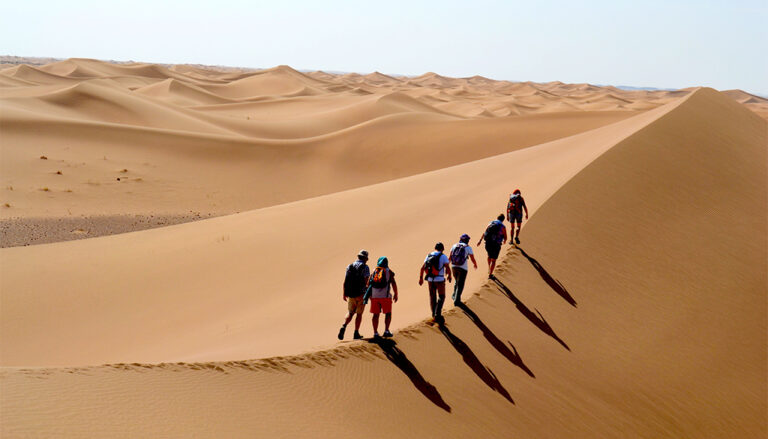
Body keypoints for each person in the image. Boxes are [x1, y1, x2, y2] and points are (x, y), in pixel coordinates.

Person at [362, 256, 398, 338]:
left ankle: (375, 333)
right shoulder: (389, 271)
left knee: (375, 315)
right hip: (385, 297)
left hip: (374, 297)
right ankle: (386, 330)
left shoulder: (374, 271)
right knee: (388, 314)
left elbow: (368, 284)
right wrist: (396, 294)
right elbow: (393, 283)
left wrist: (369, 295)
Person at [338, 250, 370, 340]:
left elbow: (345, 281)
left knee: (350, 312)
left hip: (351, 294)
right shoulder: (365, 267)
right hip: (361, 294)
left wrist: (344, 293)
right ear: (365, 258)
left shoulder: (350, 266)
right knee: (359, 314)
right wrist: (368, 293)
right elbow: (366, 281)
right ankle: (356, 333)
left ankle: (344, 326)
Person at [419, 242, 452, 324]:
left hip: (430, 280)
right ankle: (437, 313)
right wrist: (449, 275)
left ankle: (433, 314)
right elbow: (447, 267)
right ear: (442, 249)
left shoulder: (429, 255)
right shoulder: (443, 256)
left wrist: (421, 278)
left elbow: (422, 268)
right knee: (442, 296)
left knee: (432, 297)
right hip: (440, 279)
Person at [449, 234, 478, 306]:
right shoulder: (468, 248)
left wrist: (446, 266)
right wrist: (475, 264)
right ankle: (457, 301)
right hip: (463, 268)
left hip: (454, 266)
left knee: (457, 281)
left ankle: (454, 295)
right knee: (460, 284)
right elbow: (472, 258)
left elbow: (450, 257)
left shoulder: (454, 245)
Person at [477, 214, 507, 278]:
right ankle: (490, 274)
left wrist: (480, 240)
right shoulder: (502, 226)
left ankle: (488, 267)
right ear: (503, 220)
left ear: (497, 218)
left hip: (488, 243)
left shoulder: (491, 223)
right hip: (496, 245)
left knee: (489, 256)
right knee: (494, 260)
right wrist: (504, 241)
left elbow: (485, 232)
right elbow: (505, 237)